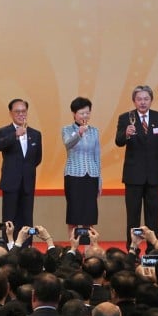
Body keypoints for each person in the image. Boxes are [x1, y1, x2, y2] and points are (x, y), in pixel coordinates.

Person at [116, 85, 158, 246]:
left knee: (152, 215)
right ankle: (132, 249)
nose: (143, 102)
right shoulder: (126, 117)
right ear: (134, 101)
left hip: (154, 176)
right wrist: (125, 133)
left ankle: (152, 249)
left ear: (151, 100)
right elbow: (118, 142)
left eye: (146, 99)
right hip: (133, 176)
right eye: (139, 99)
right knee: (133, 215)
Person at [0, 98, 42, 243]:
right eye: (17, 111)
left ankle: (27, 247)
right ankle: (8, 246)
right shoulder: (4, 132)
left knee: (27, 217)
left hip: (28, 182)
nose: (21, 114)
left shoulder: (35, 134)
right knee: (9, 218)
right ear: (11, 113)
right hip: (10, 182)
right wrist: (15, 135)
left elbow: (37, 158)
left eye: (24, 111)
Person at [62, 97, 101, 233]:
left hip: (91, 175)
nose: (85, 116)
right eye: (81, 113)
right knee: (74, 213)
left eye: (87, 113)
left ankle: (89, 248)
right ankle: (74, 248)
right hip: (73, 175)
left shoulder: (95, 131)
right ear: (74, 114)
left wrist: (99, 180)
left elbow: (97, 155)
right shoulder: (67, 130)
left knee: (89, 214)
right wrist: (79, 133)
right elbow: (68, 144)